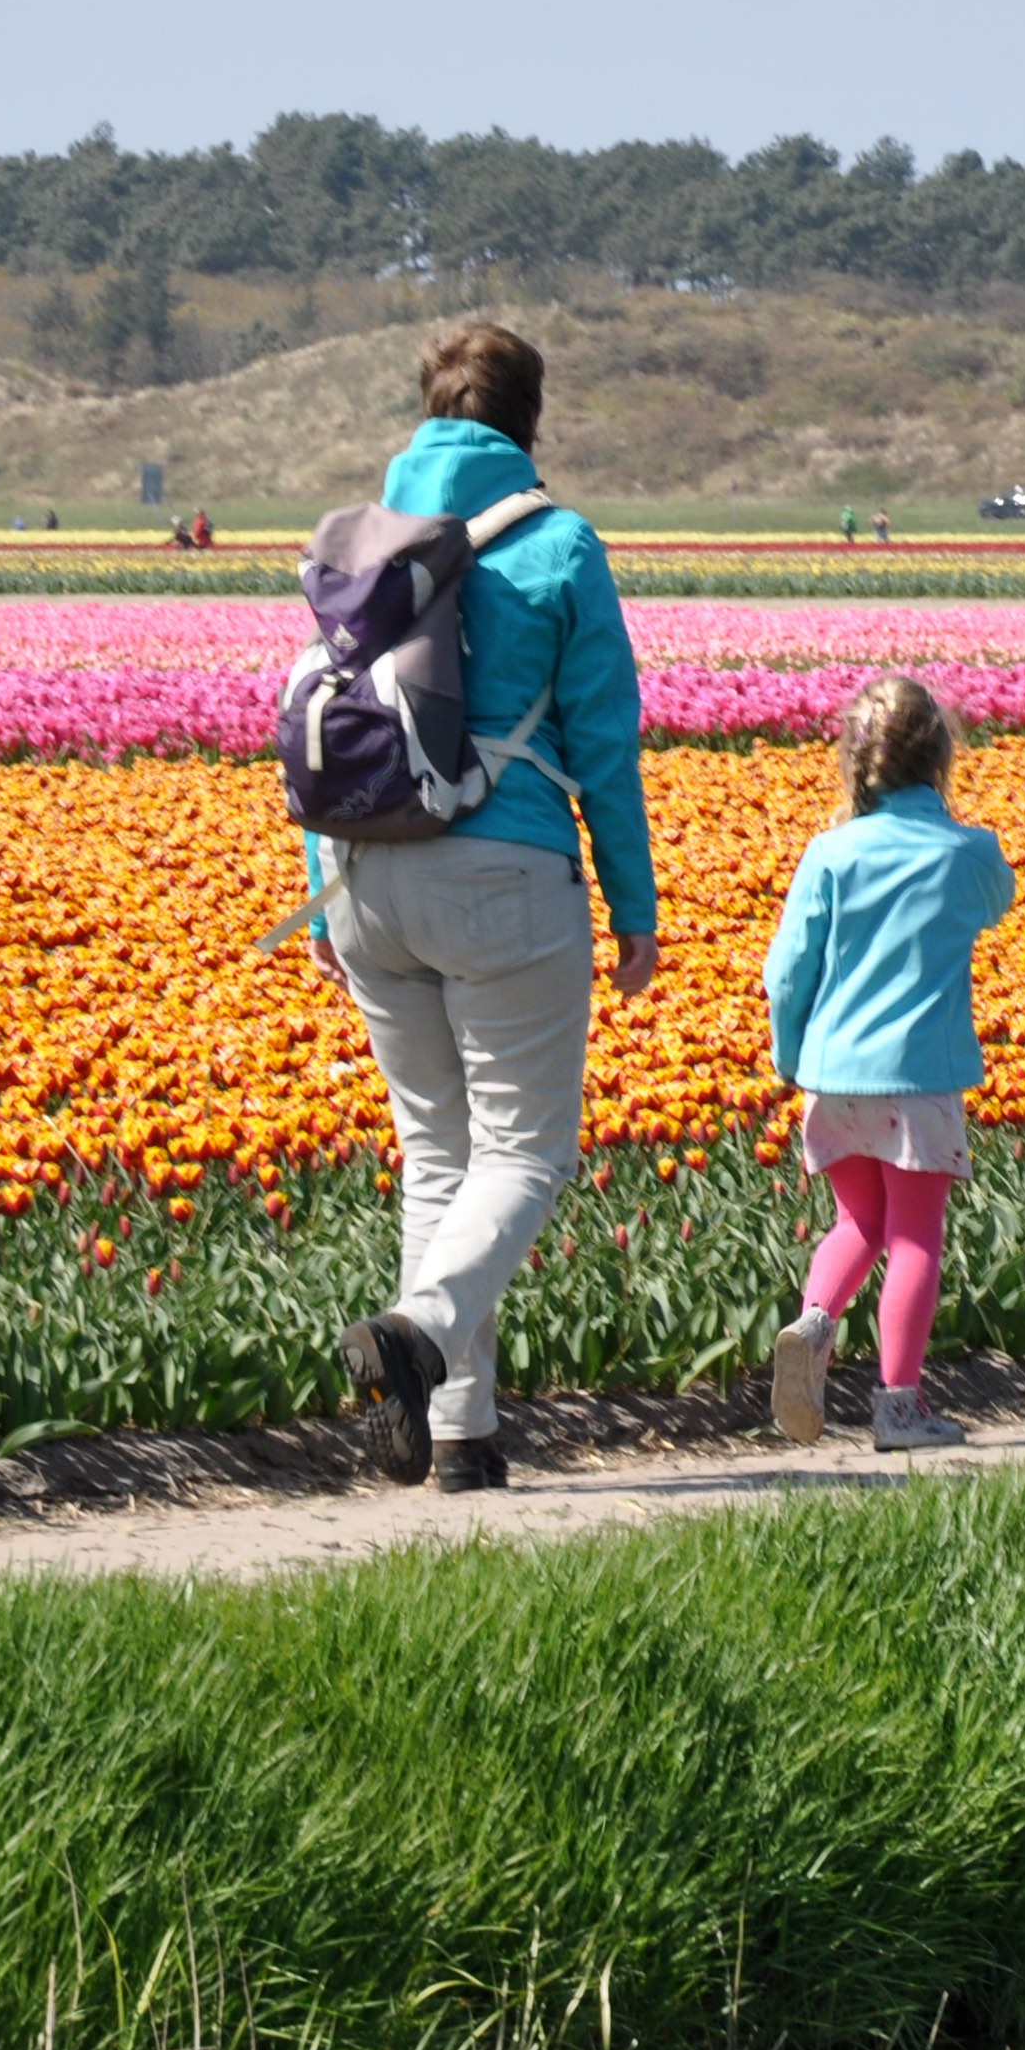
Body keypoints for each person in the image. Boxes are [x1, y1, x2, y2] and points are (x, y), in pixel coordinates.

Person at [312, 323, 660, 1494]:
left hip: (365, 872)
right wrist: (632, 904)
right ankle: (416, 1339)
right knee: (523, 1151)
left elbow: (344, 710)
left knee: (435, 1156)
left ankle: (457, 1433)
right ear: (530, 420)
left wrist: (323, 896)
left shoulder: (372, 539)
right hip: (503, 876)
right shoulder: (558, 543)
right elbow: (605, 742)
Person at [763, 674, 1013, 1454]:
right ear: (942, 761)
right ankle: (899, 1408)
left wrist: (791, 1056)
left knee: (857, 1223)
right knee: (913, 1241)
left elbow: (785, 971)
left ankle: (814, 1322)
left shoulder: (830, 853)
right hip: (920, 1080)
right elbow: (998, 901)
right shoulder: (968, 854)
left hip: (835, 1077)